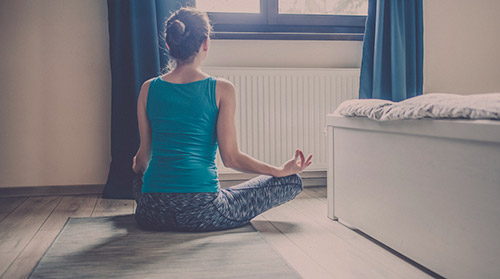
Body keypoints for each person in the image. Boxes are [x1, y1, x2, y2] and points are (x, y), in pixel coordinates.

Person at [132, 7, 312, 232]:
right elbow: (231, 159)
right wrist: (278, 170)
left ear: (169, 45)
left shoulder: (147, 89)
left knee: (138, 179)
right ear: (205, 43)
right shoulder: (222, 89)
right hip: (203, 212)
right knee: (291, 181)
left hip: (151, 213)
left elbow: (141, 161)